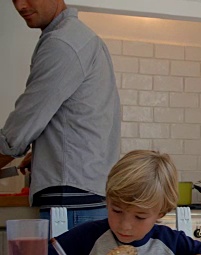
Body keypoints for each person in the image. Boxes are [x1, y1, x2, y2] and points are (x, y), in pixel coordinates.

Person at [0, 0, 120, 228]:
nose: (20, 6)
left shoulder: (62, 43)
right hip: (85, 196)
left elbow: (19, 132)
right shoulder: (82, 38)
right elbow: (81, 117)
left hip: (71, 202)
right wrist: (47, 153)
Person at [46, 150, 201, 255]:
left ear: (161, 213)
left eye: (140, 217)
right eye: (116, 210)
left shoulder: (168, 241)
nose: (125, 225)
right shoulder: (89, 236)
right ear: (107, 201)